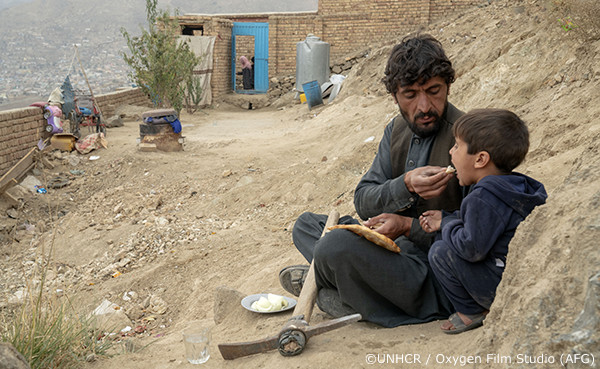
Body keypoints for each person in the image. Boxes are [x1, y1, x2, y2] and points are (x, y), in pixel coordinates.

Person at [279, 34, 467, 327]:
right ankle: (349, 289)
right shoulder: (396, 131)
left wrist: (409, 226)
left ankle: (339, 294)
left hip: (432, 271)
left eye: (434, 91)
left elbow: (480, 230)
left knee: (333, 246)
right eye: (410, 95)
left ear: (448, 87)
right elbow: (364, 199)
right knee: (308, 225)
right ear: (395, 96)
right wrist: (403, 185)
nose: (424, 106)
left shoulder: (467, 138)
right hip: (389, 251)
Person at [419, 109, 547, 334]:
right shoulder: (514, 184)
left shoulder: (482, 197)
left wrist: (445, 224)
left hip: (500, 283)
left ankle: (472, 311)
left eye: (457, 146)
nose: (451, 151)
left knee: (440, 250)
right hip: (520, 272)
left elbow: (471, 249)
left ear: (480, 159)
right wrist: (450, 218)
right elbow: (484, 226)